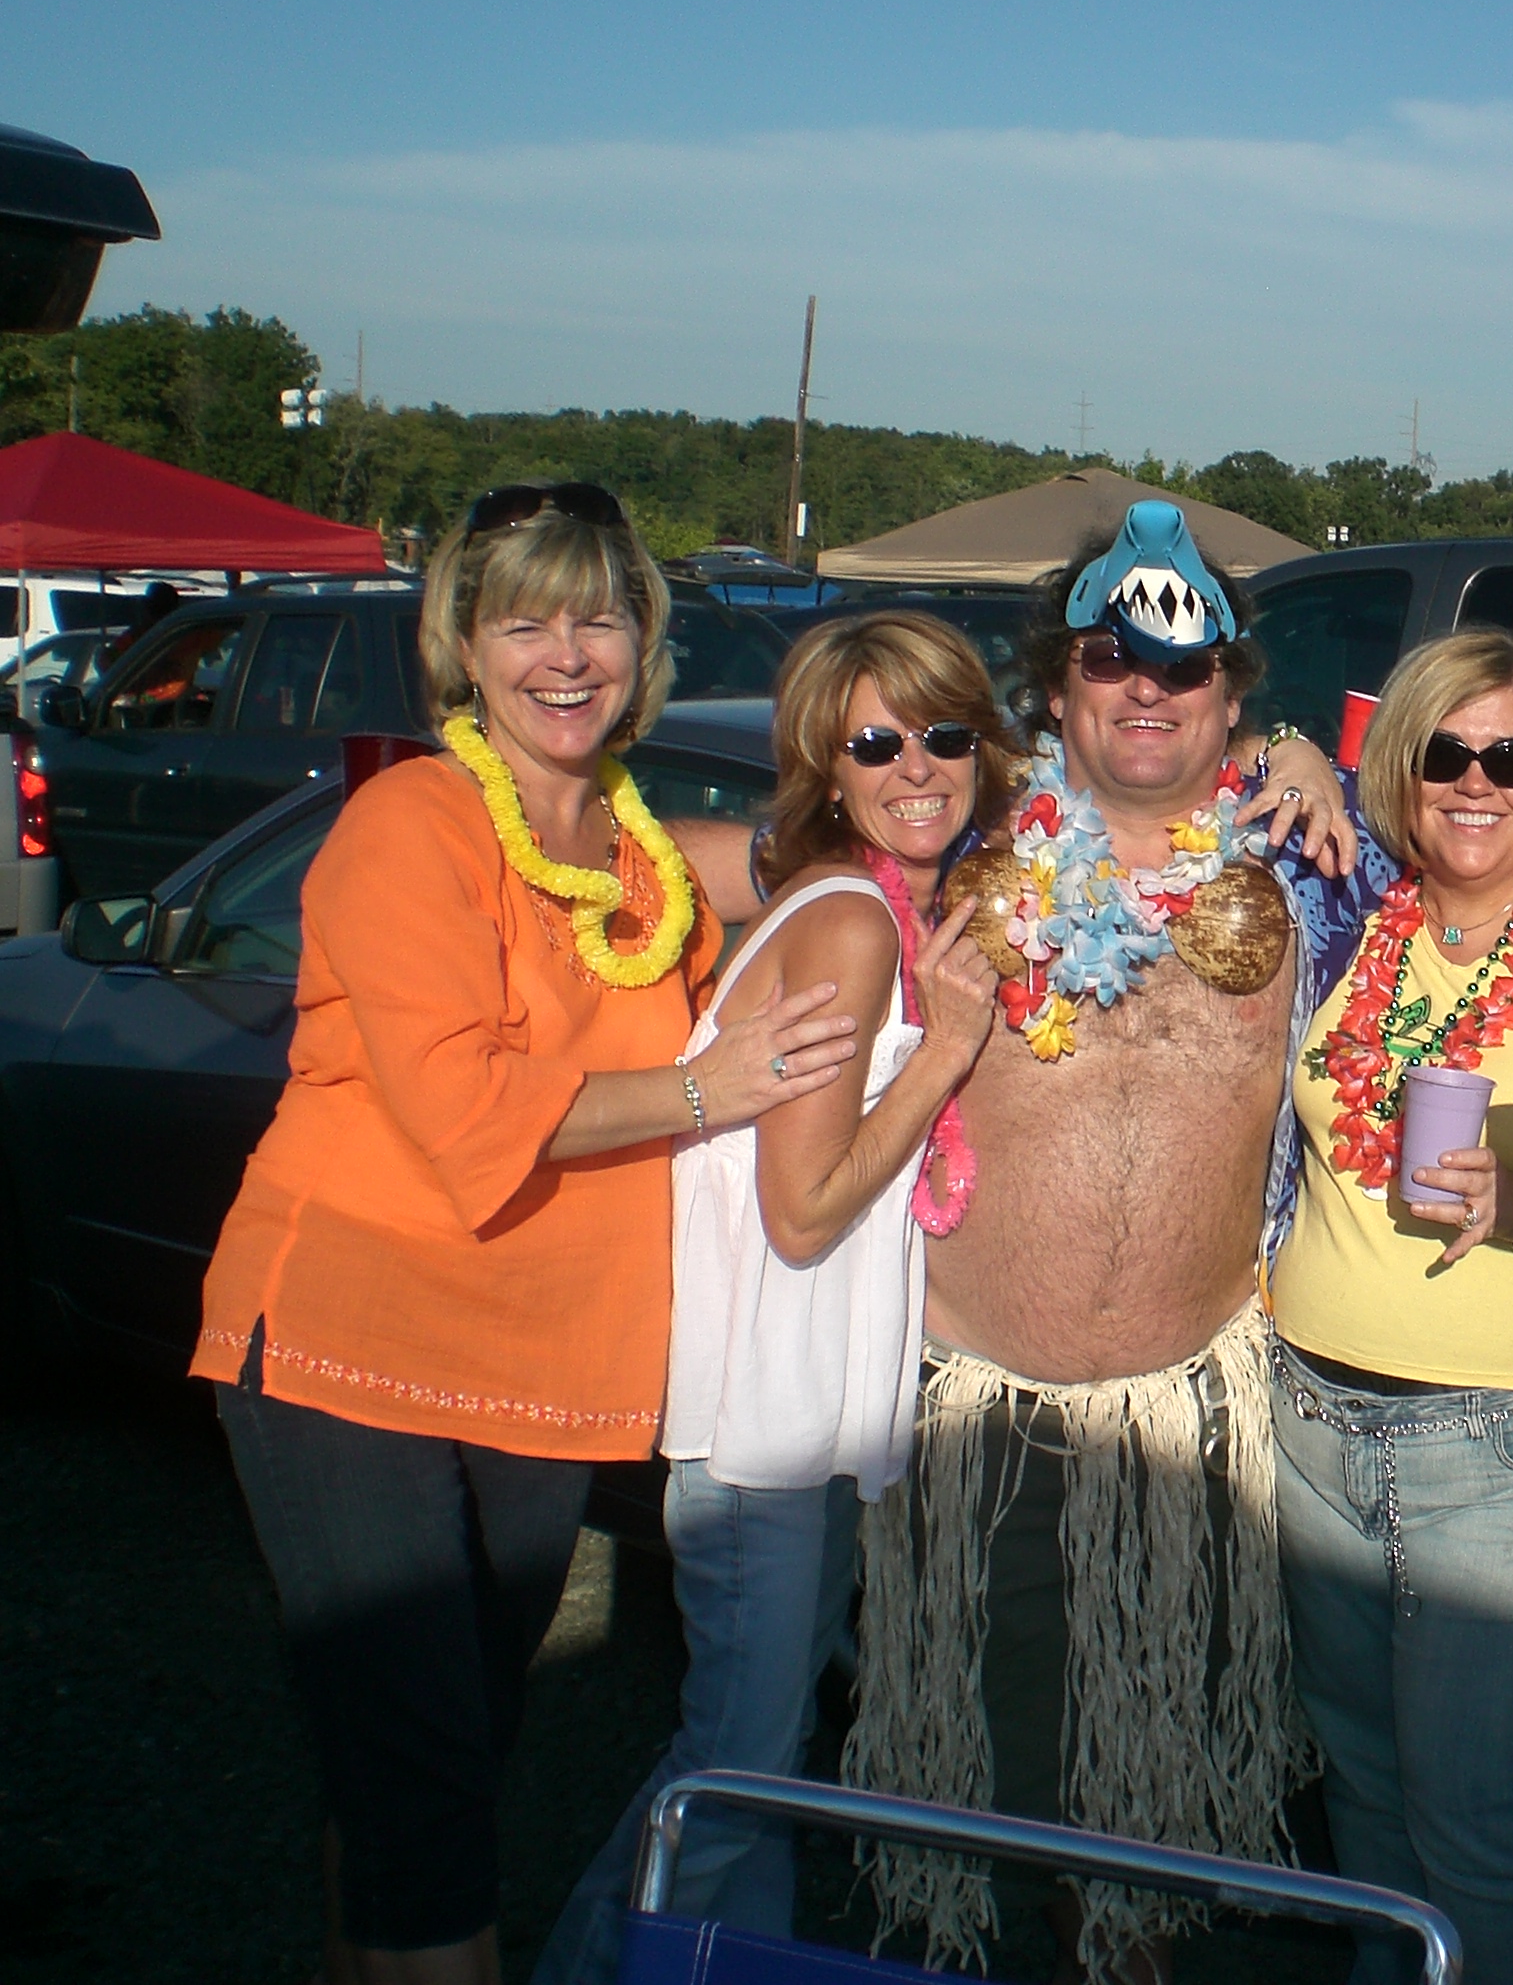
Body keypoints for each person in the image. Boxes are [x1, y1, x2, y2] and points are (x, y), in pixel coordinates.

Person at [191, 481, 856, 1985]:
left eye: (599, 619)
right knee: (425, 1781)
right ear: (464, 647)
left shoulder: (635, 853)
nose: (567, 655)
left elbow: (783, 857)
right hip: (352, 1349)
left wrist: (1253, 764)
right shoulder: (407, 825)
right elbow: (464, 1103)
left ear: (644, 644)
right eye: (525, 623)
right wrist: (712, 1088)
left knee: (434, 1764)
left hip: (540, 1371)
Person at [841, 500, 1373, 1984]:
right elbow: (764, 845)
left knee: (1143, 1840)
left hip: (1200, 1426)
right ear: (1056, 684)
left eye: (1187, 667)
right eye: (1110, 659)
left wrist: (1313, 761)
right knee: (995, 1808)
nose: (1149, 688)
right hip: (979, 1425)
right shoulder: (951, 858)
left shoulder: (1320, 869)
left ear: (1233, 694)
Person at [533, 612, 1021, 1981]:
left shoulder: (872, 909)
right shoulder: (851, 924)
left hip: (803, 1423)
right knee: (730, 1773)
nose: (916, 766)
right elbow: (802, 1213)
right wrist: (948, 1053)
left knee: (765, 1762)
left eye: (945, 734)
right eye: (875, 741)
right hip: (763, 1428)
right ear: (825, 765)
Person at [1268, 629, 1513, 1985]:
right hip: (1310, 1418)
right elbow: (1194, 751)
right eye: (1445, 753)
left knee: (1486, 1826)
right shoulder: (1357, 912)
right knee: (1364, 1801)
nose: (1477, 783)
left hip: (1499, 1446)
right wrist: (1285, 744)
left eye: (1512, 759)